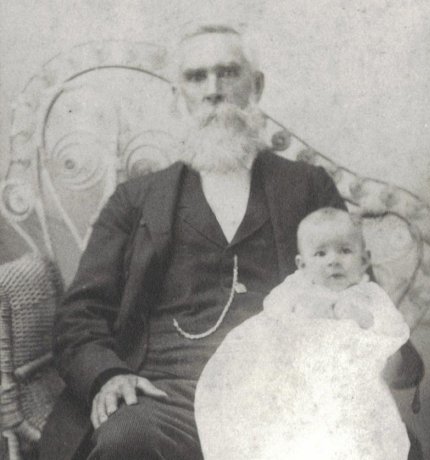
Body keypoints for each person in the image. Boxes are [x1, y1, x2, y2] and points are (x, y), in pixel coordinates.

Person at [38, 25, 347, 460]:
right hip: (168, 398)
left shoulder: (308, 187)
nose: (214, 91)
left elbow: (350, 287)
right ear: (176, 96)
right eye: (197, 77)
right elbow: (80, 315)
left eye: (228, 73)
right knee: (128, 438)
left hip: (281, 395)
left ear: (256, 87)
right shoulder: (135, 199)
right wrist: (108, 375)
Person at [195, 208, 411, 460]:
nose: (333, 260)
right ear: (302, 264)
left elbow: (390, 336)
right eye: (321, 253)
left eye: (345, 250)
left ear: (365, 260)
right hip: (301, 389)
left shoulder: (370, 297)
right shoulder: (297, 290)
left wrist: (362, 320)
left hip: (352, 392)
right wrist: (304, 311)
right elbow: (273, 320)